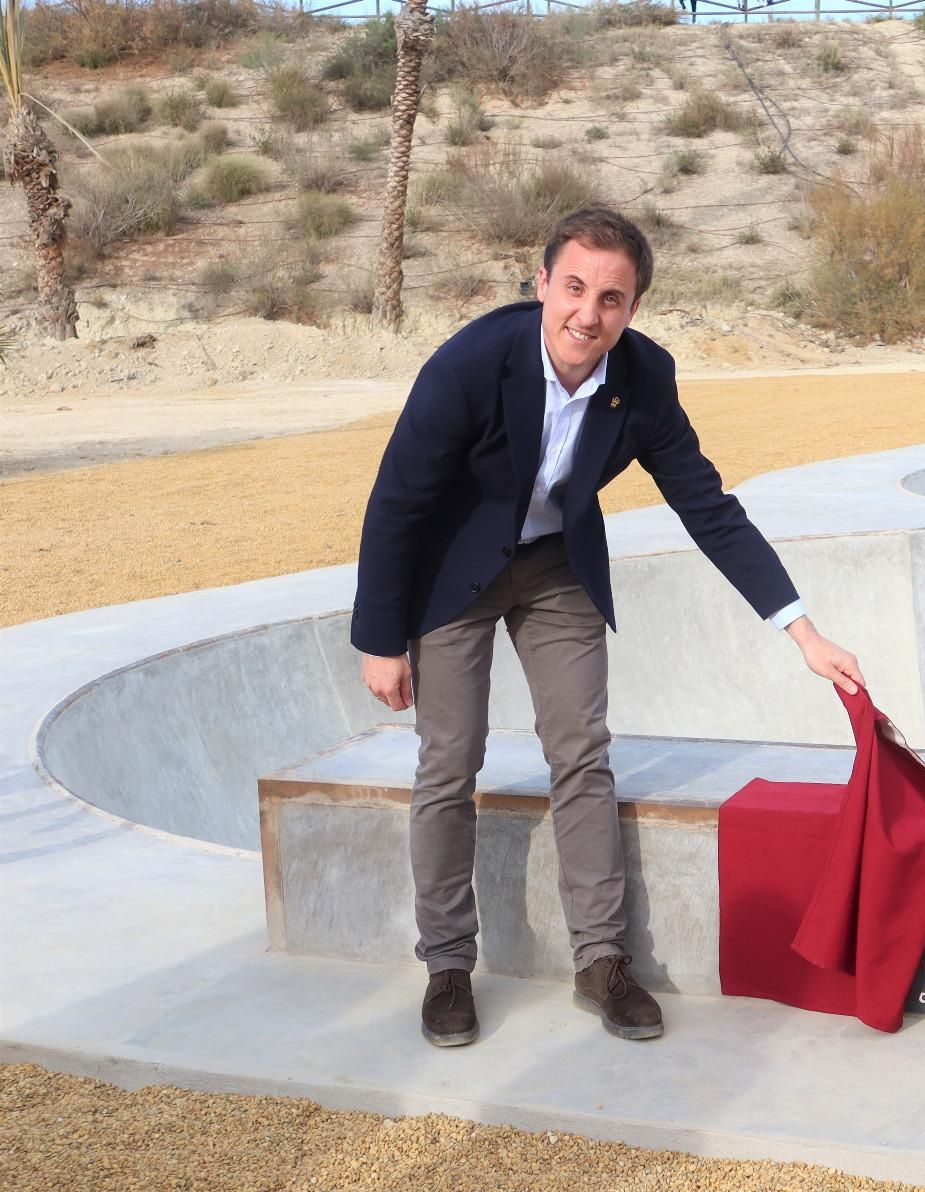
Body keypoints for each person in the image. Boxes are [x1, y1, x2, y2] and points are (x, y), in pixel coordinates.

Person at [353, 205, 862, 1046]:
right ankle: (447, 965)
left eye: (613, 298)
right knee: (449, 761)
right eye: (576, 288)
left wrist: (801, 631)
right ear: (543, 281)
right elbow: (398, 500)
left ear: (634, 308)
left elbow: (708, 507)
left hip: (557, 567)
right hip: (453, 571)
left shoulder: (644, 377)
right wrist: (380, 639)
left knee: (581, 753)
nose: (589, 314)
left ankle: (601, 961)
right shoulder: (471, 363)